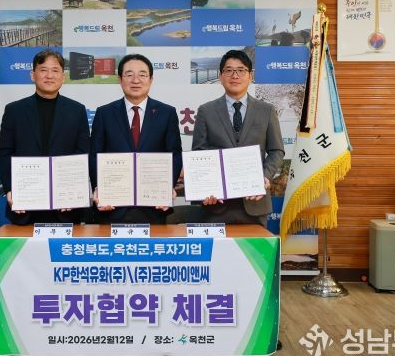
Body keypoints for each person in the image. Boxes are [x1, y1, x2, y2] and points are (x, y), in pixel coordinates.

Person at [191, 49, 284, 226]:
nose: (235, 75)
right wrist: (205, 187)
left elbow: (276, 150)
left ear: (250, 76)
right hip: (216, 204)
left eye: (241, 70)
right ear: (220, 76)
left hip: (255, 202)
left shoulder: (267, 110)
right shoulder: (206, 111)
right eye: (229, 70)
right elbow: (199, 154)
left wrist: (264, 177)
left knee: (256, 246)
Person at [0, 49, 89, 225]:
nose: (49, 76)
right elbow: (5, 152)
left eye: (55, 70)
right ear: (33, 75)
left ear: (63, 77)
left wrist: (74, 191)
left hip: (66, 207)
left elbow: (83, 153)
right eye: (43, 70)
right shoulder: (14, 110)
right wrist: (10, 189)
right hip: (25, 205)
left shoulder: (77, 110)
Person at [90, 54, 182, 224]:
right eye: (129, 74)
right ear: (120, 79)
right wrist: (100, 189)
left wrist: (166, 188)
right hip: (112, 207)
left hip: (154, 206)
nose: (136, 80)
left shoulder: (167, 113)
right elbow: (95, 155)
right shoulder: (104, 113)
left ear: (151, 80)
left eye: (142, 75)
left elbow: (175, 154)